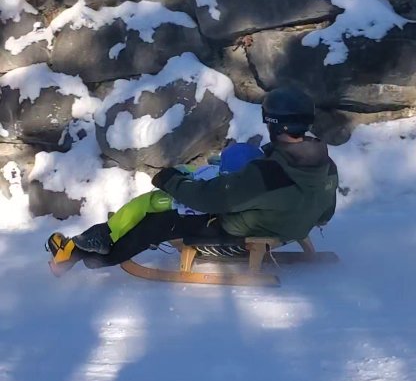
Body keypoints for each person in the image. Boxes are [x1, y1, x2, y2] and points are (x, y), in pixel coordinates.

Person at [47, 86, 339, 274]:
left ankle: (87, 255)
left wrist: (169, 180)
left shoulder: (267, 173)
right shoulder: (324, 163)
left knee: (157, 221)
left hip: (243, 226)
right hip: (290, 225)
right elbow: (325, 214)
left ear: (273, 123)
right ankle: (98, 237)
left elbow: (211, 199)